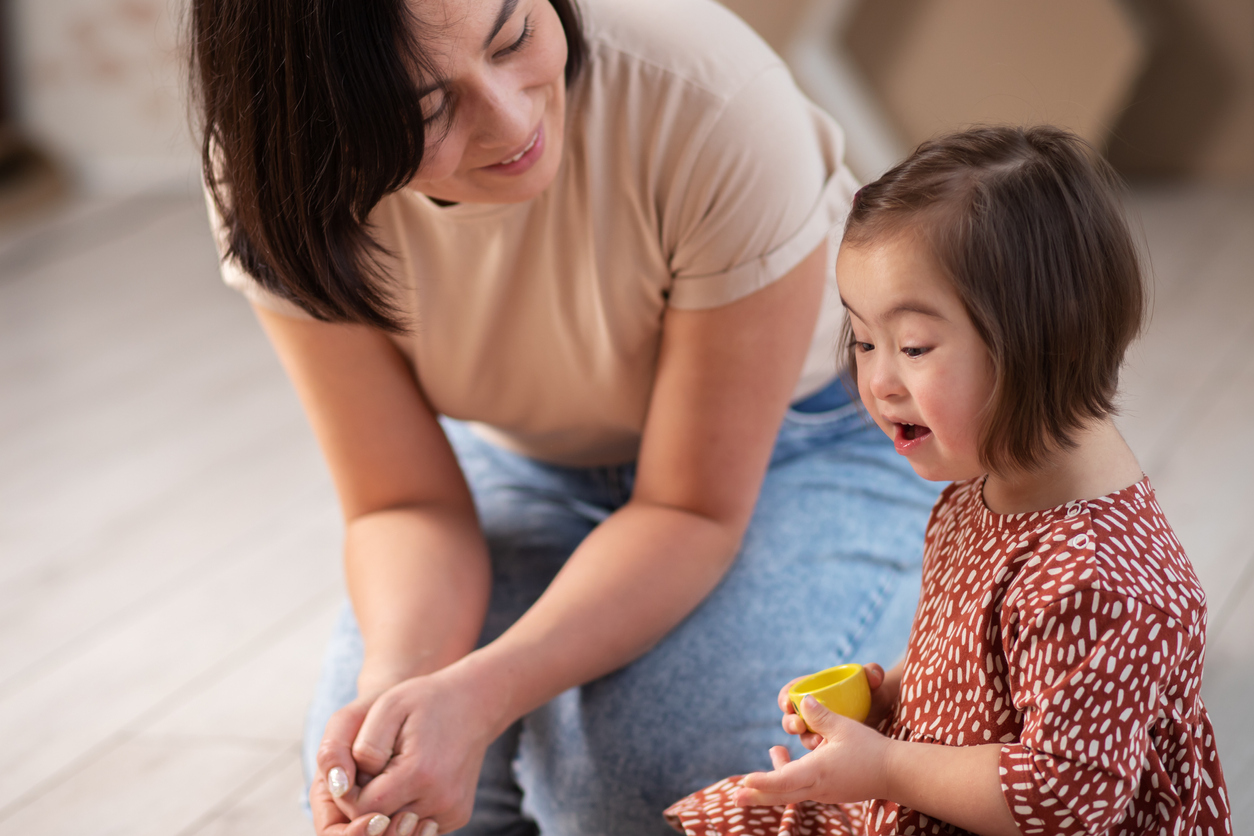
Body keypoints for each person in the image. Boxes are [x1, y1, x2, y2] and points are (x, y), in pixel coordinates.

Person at [190, 0, 941, 834]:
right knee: (374, 792)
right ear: (320, 123)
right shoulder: (277, 183)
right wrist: (397, 695)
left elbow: (688, 507)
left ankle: (933, 592)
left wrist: (480, 694)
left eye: (513, 37)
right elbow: (404, 503)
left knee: (631, 788)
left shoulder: (711, 97)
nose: (511, 119)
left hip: (808, 438)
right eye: (428, 109)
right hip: (532, 454)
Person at [664, 126, 1232, 836]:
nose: (875, 382)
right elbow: (969, 655)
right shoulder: (984, 489)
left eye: (912, 347)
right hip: (932, 787)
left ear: (1045, 339)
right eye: (864, 342)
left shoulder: (1100, 581)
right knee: (727, 816)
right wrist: (885, 696)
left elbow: (1065, 800)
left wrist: (885, 766)